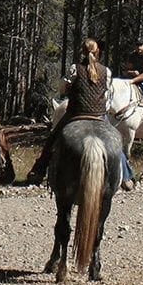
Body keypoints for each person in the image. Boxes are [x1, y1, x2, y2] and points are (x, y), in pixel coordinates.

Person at [22, 39, 119, 188]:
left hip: (76, 113)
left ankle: (39, 169)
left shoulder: (75, 68)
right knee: (116, 142)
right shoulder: (106, 71)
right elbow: (108, 94)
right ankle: (126, 175)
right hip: (99, 115)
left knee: (53, 137)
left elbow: (62, 88)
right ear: (98, 51)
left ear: (82, 52)